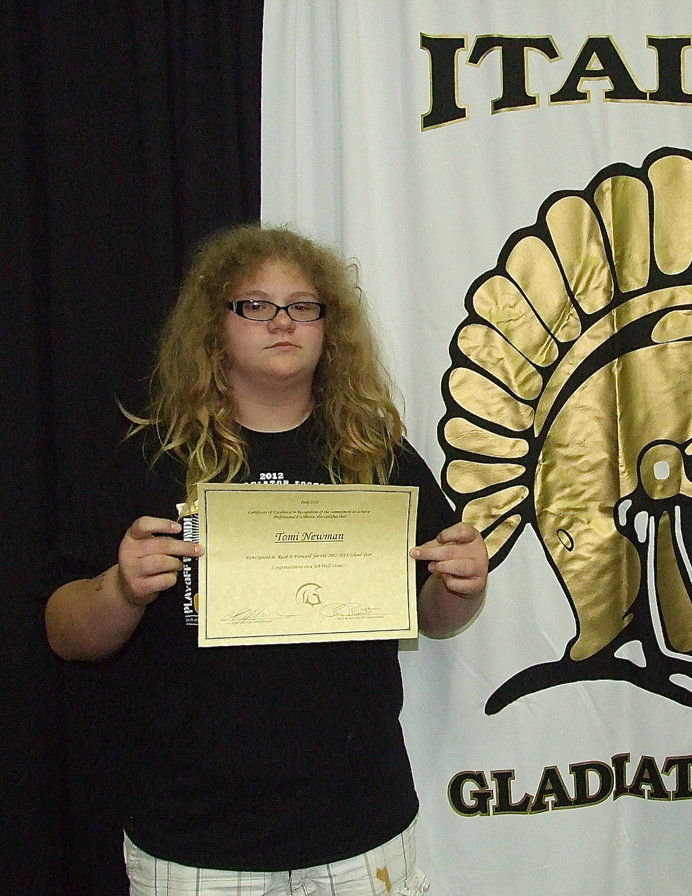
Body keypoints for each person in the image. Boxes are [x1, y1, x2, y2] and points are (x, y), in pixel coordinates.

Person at [45, 224, 488, 894]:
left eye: (303, 305)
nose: (282, 322)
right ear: (214, 325)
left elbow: (439, 615)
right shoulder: (151, 458)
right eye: (255, 305)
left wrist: (464, 582)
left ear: (327, 327)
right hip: (195, 843)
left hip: (360, 833)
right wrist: (121, 590)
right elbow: (61, 630)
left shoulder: (376, 456)